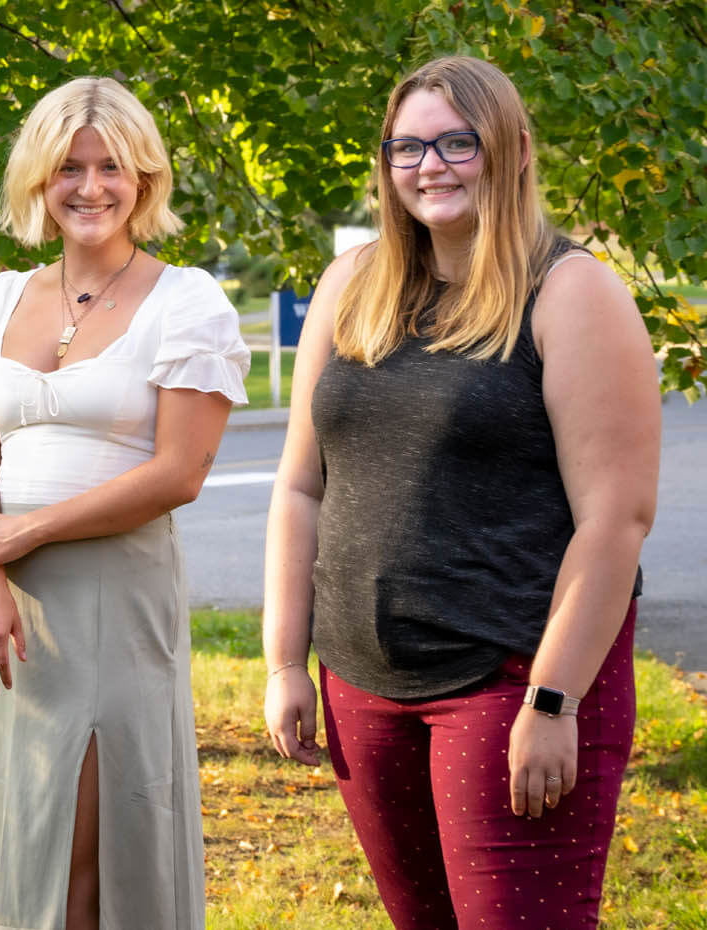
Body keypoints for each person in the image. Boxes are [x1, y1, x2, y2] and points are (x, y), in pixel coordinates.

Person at [262, 56, 659, 929]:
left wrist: (554, 700)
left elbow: (615, 521)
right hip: (362, 685)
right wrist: (287, 660)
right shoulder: (351, 286)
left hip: (510, 682)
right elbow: (300, 486)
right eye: (407, 147)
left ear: (513, 151)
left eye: (455, 142)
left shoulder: (571, 291)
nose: (429, 165)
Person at [0, 76, 250, 929]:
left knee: (94, 839)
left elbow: (177, 475)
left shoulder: (186, 300)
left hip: (117, 605)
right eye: (68, 167)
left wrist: (22, 532)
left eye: (110, 165)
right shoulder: (3, 298)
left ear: (144, 179)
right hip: (5, 616)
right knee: (16, 823)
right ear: (38, 182)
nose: (89, 187)